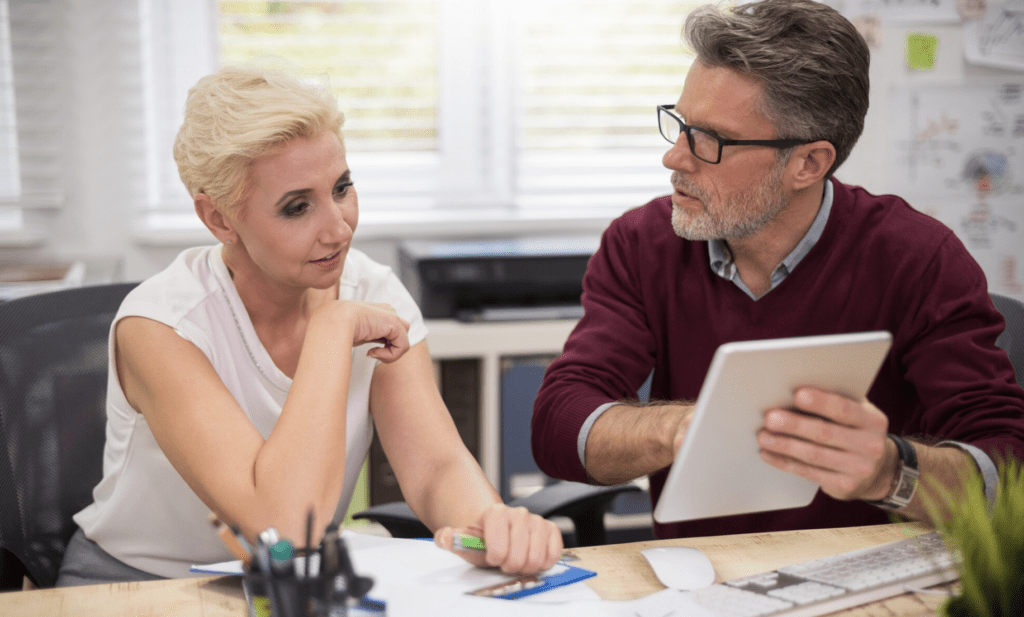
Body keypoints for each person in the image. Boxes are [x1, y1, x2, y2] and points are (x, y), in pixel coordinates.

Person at [531, 0, 1024, 541]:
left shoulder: (917, 258)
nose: (674, 158)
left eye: (710, 139)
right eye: (680, 124)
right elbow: (558, 426)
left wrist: (890, 472)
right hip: (705, 577)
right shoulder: (643, 243)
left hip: (872, 577)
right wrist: (682, 429)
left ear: (808, 163)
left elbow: (1007, 467)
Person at [57, 65, 562, 585]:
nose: (339, 227)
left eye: (341, 188)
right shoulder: (161, 326)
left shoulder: (375, 291)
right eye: (297, 208)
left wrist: (490, 526)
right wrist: (330, 330)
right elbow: (283, 527)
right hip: (138, 586)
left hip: (289, 587)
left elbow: (435, 467)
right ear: (219, 219)